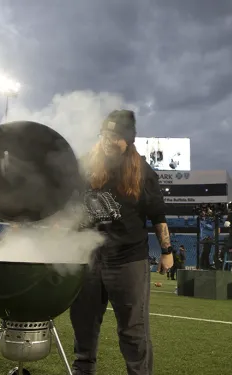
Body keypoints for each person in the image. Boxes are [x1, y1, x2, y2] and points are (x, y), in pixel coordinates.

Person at [70, 110, 173, 375]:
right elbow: (69, 203)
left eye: (115, 136)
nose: (107, 141)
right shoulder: (87, 164)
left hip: (128, 259)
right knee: (83, 324)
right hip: (90, 257)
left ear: (128, 140)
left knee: (132, 330)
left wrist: (167, 251)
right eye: (104, 134)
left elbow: (157, 215)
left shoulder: (142, 171)